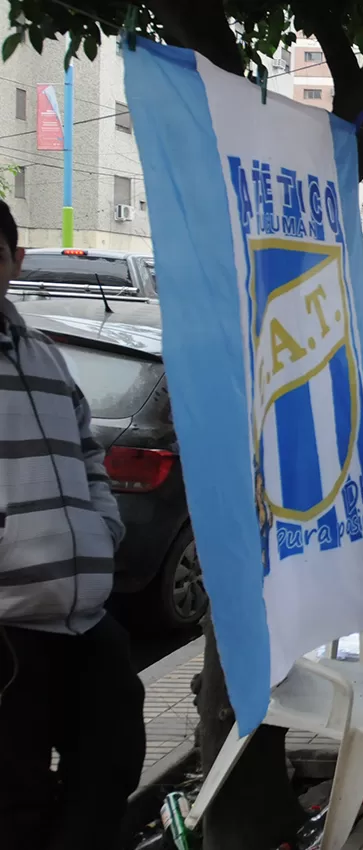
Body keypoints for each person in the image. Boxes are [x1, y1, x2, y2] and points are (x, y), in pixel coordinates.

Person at [0, 201, 145, 850]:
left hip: (84, 615)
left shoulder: (44, 356)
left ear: (15, 261)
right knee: (14, 792)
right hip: (10, 623)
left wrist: (101, 528)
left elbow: (86, 454)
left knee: (110, 759)